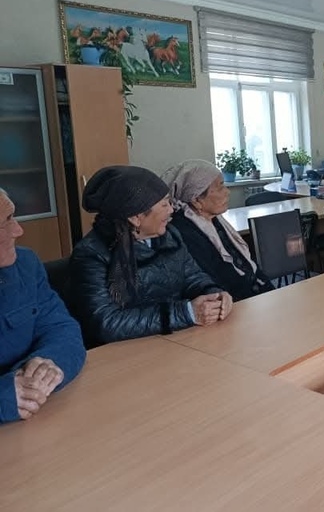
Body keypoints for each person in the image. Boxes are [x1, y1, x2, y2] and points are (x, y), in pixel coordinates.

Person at [70, 166, 233, 347]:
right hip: (127, 351)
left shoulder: (169, 234)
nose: (171, 209)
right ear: (135, 217)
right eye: (164, 204)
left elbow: (192, 276)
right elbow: (106, 322)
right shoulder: (92, 254)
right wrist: (185, 313)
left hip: (176, 339)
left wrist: (214, 294)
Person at [0, 188, 86, 424]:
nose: (18, 230)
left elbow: (61, 327)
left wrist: (48, 363)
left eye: (12, 216)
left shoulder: (26, 264)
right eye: (5, 222)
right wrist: (4, 397)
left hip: (37, 418)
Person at [161, 160, 273, 302]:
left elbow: (248, 266)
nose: (227, 192)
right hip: (231, 304)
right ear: (196, 200)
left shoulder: (214, 219)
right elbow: (220, 283)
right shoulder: (183, 232)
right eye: (220, 187)